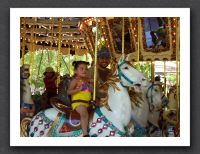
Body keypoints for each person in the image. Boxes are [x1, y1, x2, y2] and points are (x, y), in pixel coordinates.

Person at [67, 61, 92, 137]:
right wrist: (78, 90)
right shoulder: (75, 80)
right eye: (81, 68)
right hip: (78, 103)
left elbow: (94, 83)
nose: (84, 70)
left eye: (86, 69)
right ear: (75, 71)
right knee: (84, 113)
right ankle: (85, 134)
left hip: (87, 102)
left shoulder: (87, 81)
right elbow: (68, 92)